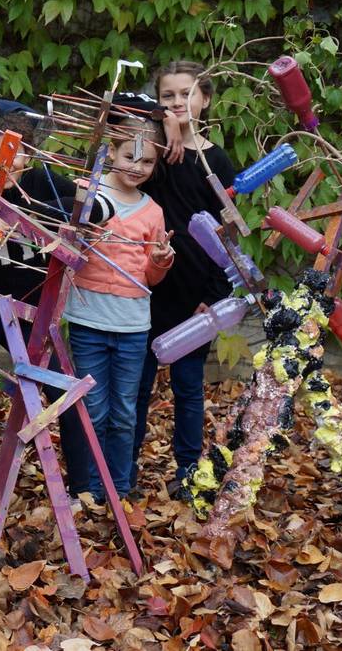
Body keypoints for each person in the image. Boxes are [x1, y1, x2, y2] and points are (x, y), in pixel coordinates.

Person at [0, 108, 114, 515]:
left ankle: (80, 487)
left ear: (27, 155)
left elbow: (100, 209)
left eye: (11, 153)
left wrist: (30, 214)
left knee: (62, 394)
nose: (2, 162)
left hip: (38, 312)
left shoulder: (39, 183)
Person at [130, 63, 237, 498]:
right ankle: (124, 471)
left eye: (185, 94)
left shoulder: (218, 161)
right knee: (136, 387)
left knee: (189, 387)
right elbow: (119, 106)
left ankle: (189, 471)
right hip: (147, 289)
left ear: (205, 99)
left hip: (196, 293)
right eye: (167, 96)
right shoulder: (152, 154)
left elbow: (229, 233)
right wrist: (164, 124)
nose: (176, 103)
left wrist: (215, 295)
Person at [64, 116, 174, 503]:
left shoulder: (153, 211)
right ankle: (92, 488)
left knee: (125, 412)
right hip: (88, 319)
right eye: (130, 156)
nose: (136, 167)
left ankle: (119, 486)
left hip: (132, 325)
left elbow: (150, 276)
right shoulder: (88, 194)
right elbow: (64, 248)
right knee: (92, 410)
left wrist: (161, 260)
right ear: (111, 151)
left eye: (146, 162)